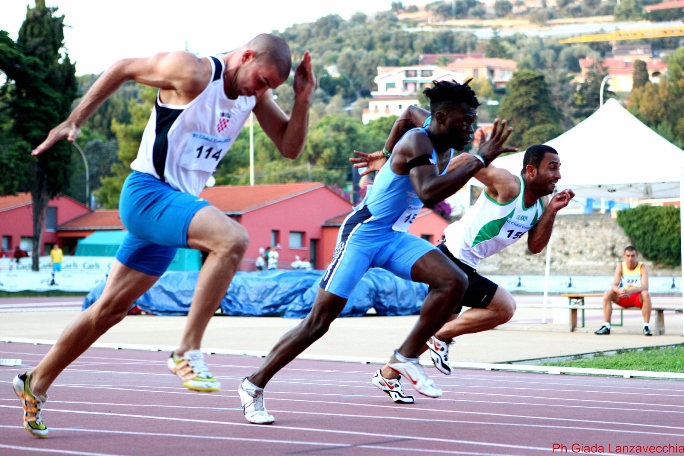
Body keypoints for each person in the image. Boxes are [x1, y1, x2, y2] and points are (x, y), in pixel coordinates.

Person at [13, 33, 315, 439]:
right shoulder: (190, 71)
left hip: (174, 209)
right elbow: (122, 67)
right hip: (148, 194)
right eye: (261, 80)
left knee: (109, 309)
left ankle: (36, 380)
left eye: (270, 88)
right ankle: (187, 351)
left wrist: (302, 100)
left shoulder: (252, 96)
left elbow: (290, 148)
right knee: (233, 239)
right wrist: (75, 119)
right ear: (245, 56)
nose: (261, 91)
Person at [237, 79, 516, 424]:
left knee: (454, 281)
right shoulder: (418, 140)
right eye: (465, 122)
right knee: (318, 322)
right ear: (442, 118)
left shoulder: (428, 125)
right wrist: (479, 159)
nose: (471, 129)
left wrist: (384, 157)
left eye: (473, 122)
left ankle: (405, 357)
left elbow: (406, 112)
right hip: (364, 235)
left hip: (395, 237)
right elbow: (428, 192)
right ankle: (253, 385)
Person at [351, 110, 574, 404]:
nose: (558, 174)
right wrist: (430, 181)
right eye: (553, 167)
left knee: (434, 326)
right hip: (451, 257)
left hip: (465, 262)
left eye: (560, 168)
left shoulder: (538, 207)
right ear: (531, 170)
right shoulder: (508, 185)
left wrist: (552, 212)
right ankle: (439, 338)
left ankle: (388, 374)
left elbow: (535, 246)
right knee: (504, 308)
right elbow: (466, 162)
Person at [595, 246, 652, 336]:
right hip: (623, 296)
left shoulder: (642, 267)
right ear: (624, 255)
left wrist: (632, 291)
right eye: (628, 256)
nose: (630, 259)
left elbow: (645, 287)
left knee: (646, 294)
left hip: (637, 298)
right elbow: (614, 285)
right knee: (607, 294)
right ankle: (606, 326)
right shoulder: (620, 266)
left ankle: (646, 326)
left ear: (637, 255)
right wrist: (619, 291)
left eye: (632, 256)